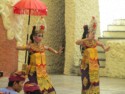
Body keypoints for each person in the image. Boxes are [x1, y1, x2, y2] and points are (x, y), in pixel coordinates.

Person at [17, 25, 63, 94]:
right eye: (39, 36)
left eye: (41, 36)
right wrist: (26, 46)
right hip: (33, 72)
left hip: (43, 73)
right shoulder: (31, 47)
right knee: (37, 89)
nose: (41, 37)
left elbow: (49, 48)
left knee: (49, 90)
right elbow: (17, 47)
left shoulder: (42, 47)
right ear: (34, 37)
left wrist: (57, 52)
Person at [76, 17, 110, 94]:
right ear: (88, 33)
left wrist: (105, 48)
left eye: (94, 33)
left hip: (94, 66)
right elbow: (77, 42)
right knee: (86, 80)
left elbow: (102, 44)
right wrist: (86, 39)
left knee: (94, 81)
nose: (94, 35)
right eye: (92, 33)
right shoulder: (85, 42)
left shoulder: (95, 42)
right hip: (86, 66)